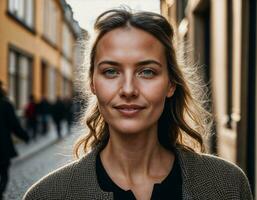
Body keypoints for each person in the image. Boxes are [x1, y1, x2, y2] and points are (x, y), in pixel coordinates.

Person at [23, 8, 253, 200]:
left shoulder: (227, 185)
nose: (129, 89)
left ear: (171, 84)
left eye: (147, 72)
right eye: (111, 71)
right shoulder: (47, 195)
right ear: (93, 83)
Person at [0, 81, 29, 200]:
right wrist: (24, 136)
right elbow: (14, 124)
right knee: (4, 171)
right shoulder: (5, 104)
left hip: (3, 144)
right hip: (2, 145)